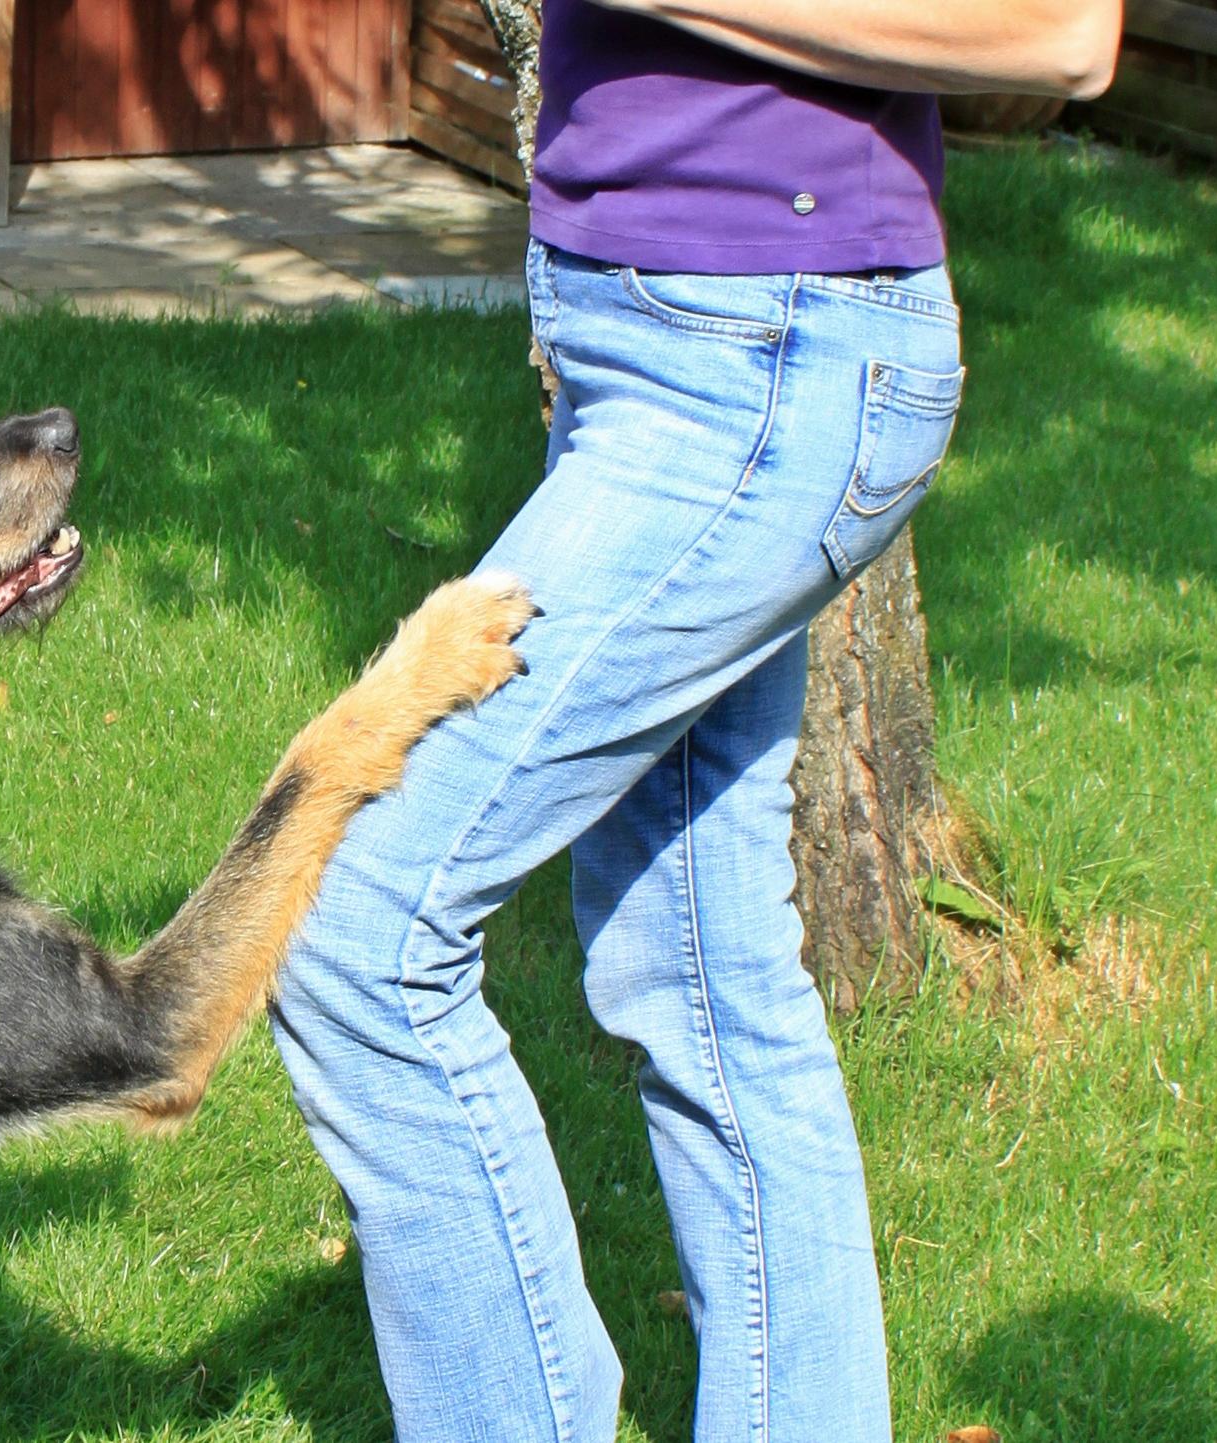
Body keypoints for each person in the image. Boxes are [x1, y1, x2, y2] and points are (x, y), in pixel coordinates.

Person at [272, 2, 1122, 1440]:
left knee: (356, 929)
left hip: (767, 359)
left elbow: (1059, 37)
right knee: (697, 968)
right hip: (647, 342)